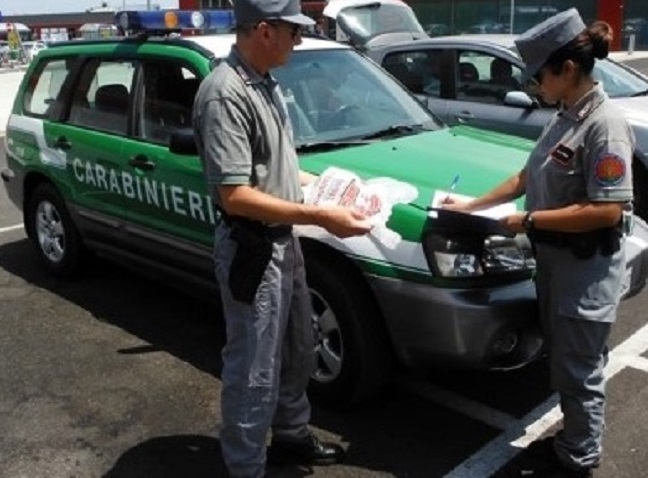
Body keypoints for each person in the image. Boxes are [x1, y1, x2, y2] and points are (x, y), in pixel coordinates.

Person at [442, 8, 634, 478]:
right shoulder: (566, 115)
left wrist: (527, 219)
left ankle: (579, 459)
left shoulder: (603, 125)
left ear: (567, 69)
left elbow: (607, 208)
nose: (535, 86)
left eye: (539, 75)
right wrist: (470, 205)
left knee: (581, 372)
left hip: (584, 275)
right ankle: (574, 442)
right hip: (558, 269)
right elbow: (525, 176)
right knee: (569, 366)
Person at [192, 0, 372, 477]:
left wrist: (336, 186)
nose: (298, 40)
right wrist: (320, 216)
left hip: (280, 241)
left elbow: (274, 168)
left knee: (298, 346)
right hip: (252, 245)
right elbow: (235, 196)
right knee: (253, 366)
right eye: (293, 31)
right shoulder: (225, 95)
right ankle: (246, 465)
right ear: (266, 30)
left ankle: (291, 436)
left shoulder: (265, 82)